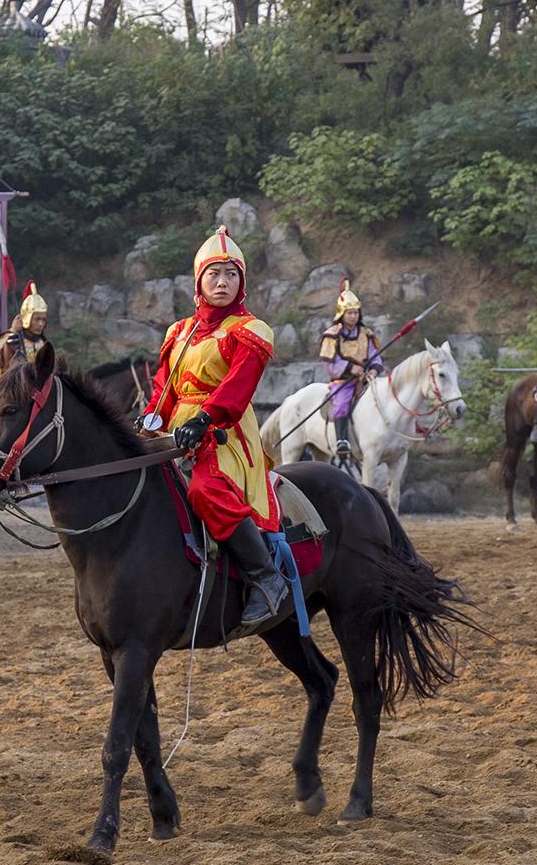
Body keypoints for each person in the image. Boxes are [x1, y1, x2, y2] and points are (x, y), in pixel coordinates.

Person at [142, 225, 288, 633]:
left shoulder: (250, 330)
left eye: (231, 274)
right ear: (199, 280)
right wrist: (150, 416)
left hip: (224, 432)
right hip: (175, 430)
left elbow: (236, 389)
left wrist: (203, 420)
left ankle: (265, 577)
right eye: (214, 274)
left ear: (241, 281)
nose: (222, 282)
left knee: (205, 489)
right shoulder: (179, 332)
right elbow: (164, 388)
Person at [318, 280, 383, 462]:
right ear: (342, 313)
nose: (353, 316)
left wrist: (374, 370)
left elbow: (374, 355)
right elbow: (328, 362)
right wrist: (350, 368)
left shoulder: (366, 333)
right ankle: (342, 441)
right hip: (343, 381)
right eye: (350, 313)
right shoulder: (333, 334)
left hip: (365, 379)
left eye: (356, 312)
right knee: (342, 402)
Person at [0, 283, 49, 375]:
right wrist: (12, 333)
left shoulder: (42, 342)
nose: (40, 324)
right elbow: (3, 362)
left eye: (43, 320)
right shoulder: (10, 337)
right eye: (37, 319)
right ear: (27, 318)